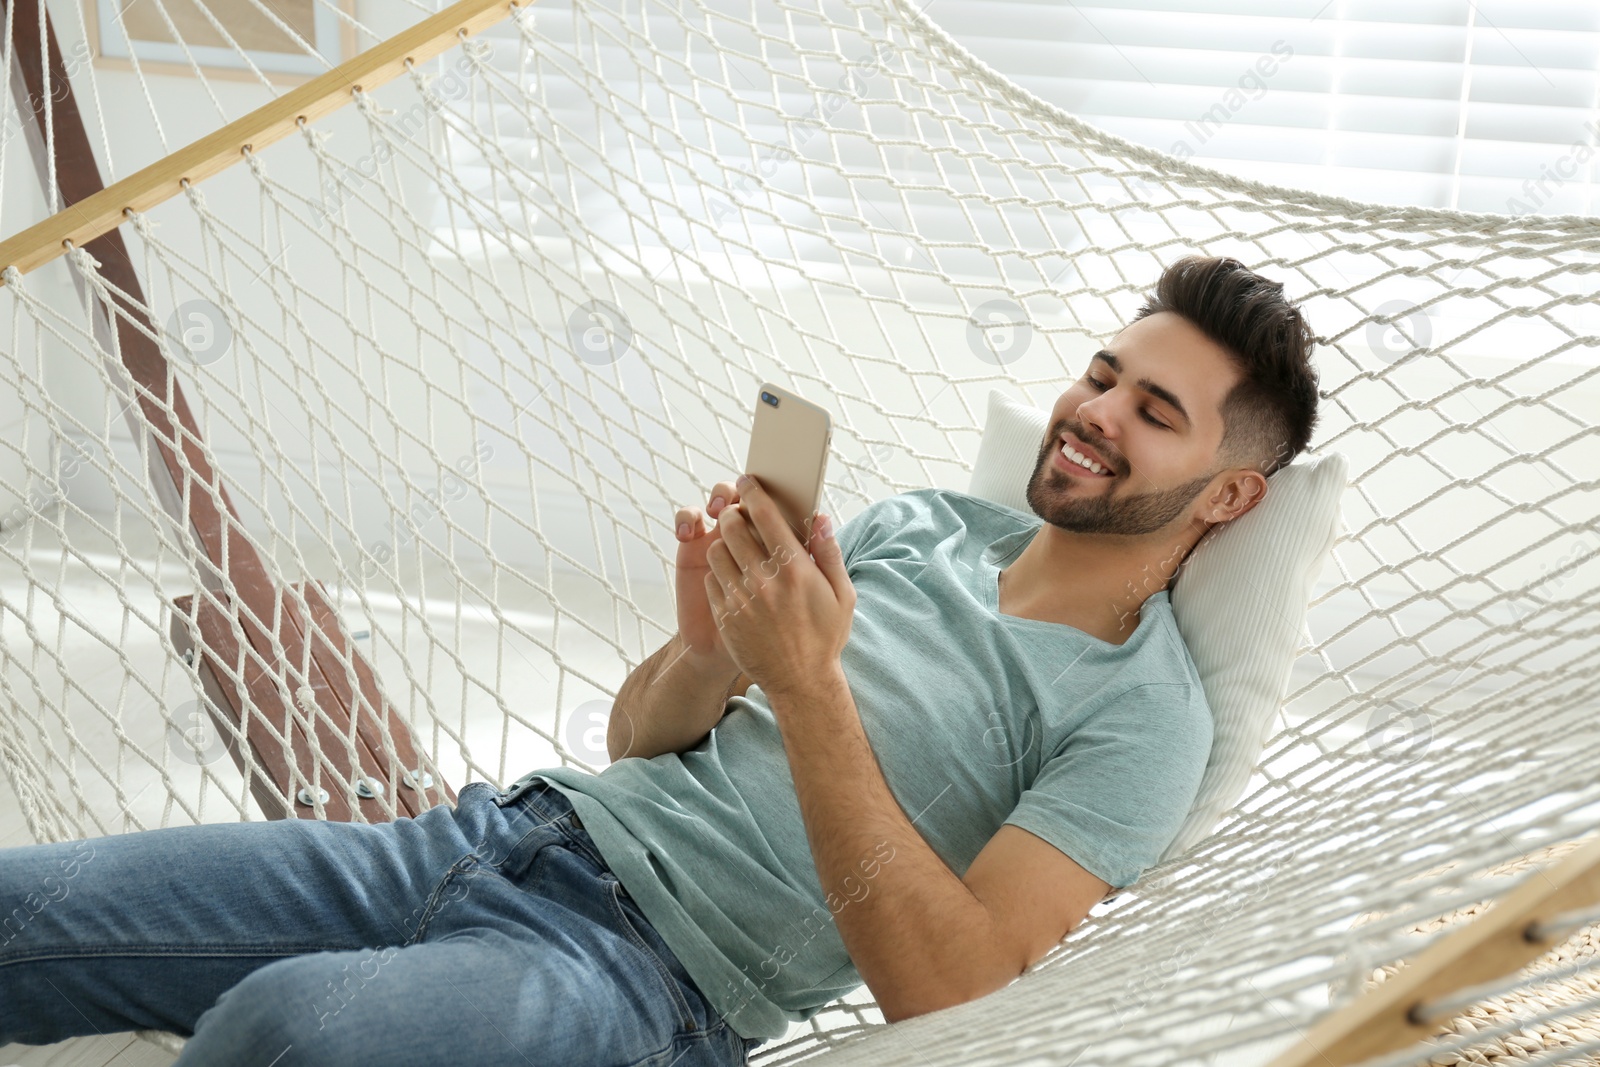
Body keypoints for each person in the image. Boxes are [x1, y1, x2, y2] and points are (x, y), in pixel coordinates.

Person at [0, 255, 1319, 1065]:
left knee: (289, 1037)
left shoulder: (1145, 715)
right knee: (21, 910)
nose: (1093, 415)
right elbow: (642, 739)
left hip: (646, 984)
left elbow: (953, 984)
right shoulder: (921, 525)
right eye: (1101, 374)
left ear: (1229, 496)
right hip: (496, 838)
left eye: (1154, 415)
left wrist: (804, 684)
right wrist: (708, 650)